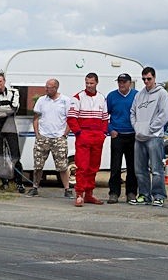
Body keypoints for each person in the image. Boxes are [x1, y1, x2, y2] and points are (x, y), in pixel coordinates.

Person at [130, 66, 168, 207]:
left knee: (157, 169)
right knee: (140, 169)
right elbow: (132, 112)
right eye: (144, 79)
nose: (146, 81)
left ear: (154, 78)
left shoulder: (162, 94)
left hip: (154, 137)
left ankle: (159, 196)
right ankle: (144, 195)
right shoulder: (139, 95)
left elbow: (164, 114)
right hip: (139, 137)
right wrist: (137, 127)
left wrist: (151, 128)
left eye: (149, 79)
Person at [67, 72, 109, 207]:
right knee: (82, 167)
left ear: (97, 82)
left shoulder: (102, 98)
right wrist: (79, 133)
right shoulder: (78, 97)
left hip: (97, 136)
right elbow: (71, 118)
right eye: (87, 83)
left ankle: (89, 194)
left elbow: (105, 119)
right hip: (84, 136)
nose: (89, 85)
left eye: (91, 83)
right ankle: (79, 194)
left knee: (94, 167)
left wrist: (103, 134)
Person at [26, 79, 72, 198]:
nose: (46, 89)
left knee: (62, 165)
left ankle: (67, 189)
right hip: (43, 137)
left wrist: (65, 135)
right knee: (38, 165)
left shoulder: (65, 101)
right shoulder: (41, 100)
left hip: (58, 138)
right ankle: (35, 187)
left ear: (56, 88)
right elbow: (36, 117)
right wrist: (37, 134)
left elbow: (70, 119)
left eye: (49, 87)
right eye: (46, 87)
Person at [0, 72, 24, 193]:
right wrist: (4, 107)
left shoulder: (14, 92)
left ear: (4, 81)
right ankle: (4, 182)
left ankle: (19, 183)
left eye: (0, 81)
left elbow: (14, 108)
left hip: (10, 126)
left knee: (15, 155)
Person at [106, 73, 138, 203]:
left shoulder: (137, 95)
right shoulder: (111, 96)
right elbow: (104, 115)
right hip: (117, 135)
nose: (121, 84)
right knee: (115, 166)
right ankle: (114, 193)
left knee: (132, 166)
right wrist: (110, 130)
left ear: (130, 83)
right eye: (119, 82)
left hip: (132, 134)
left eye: (124, 82)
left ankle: (131, 192)